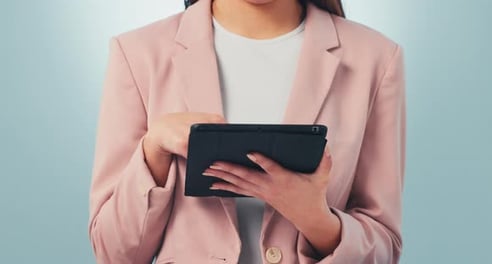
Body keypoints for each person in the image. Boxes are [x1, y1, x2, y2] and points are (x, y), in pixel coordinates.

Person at [88, 0, 406, 263]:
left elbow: (384, 247)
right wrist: (153, 150)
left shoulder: (376, 59)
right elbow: (113, 252)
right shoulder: (137, 54)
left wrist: (315, 218)